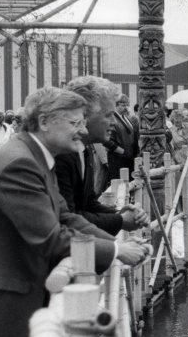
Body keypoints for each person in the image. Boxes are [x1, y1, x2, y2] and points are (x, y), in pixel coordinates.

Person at [0, 87, 148, 337]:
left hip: (13, 301)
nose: (83, 131)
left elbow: (67, 217)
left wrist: (115, 243)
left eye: (84, 122)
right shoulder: (19, 164)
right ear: (44, 122)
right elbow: (50, 237)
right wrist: (118, 252)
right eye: (75, 123)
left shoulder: (36, 158)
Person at [55, 76, 150, 236]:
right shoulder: (61, 154)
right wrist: (120, 221)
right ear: (84, 115)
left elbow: (88, 203)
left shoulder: (82, 150)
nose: (113, 122)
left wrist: (118, 214)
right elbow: (67, 219)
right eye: (108, 115)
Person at [105, 94, 139, 184]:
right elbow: (107, 141)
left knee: (129, 184)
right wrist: (122, 152)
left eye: (127, 105)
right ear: (116, 105)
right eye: (123, 105)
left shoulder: (127, 118)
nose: (126, 108)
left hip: (129, 158)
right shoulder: (112, 119)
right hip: (118, 159)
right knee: (119, 185)